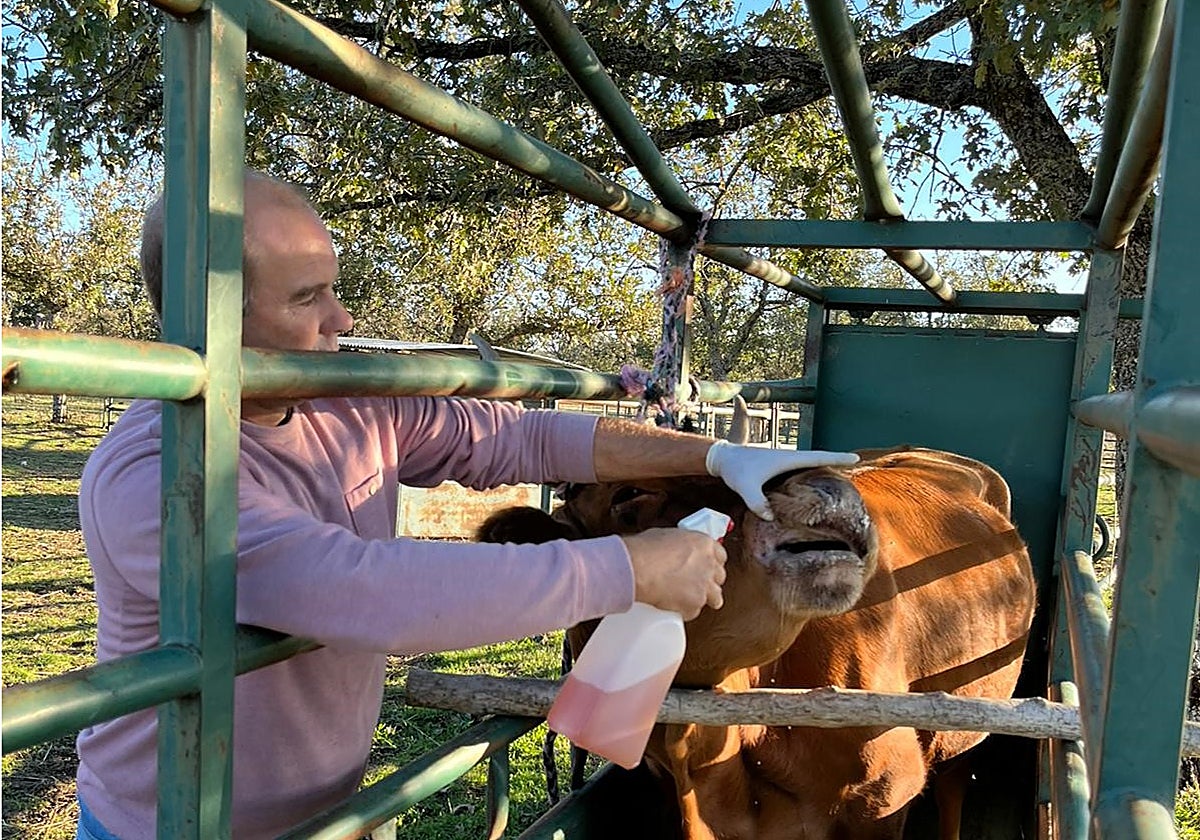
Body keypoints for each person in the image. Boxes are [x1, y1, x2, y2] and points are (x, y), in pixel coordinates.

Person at [74, 169, 858, 839]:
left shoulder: (343, 400)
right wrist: (625, 567)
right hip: (173, 824)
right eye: (308, 297)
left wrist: (716, 455)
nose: (342, 322)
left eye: (335, 289)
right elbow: (363, 590)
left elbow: (525, 441)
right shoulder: (156, 474)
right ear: (200, 317)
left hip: (335, 811)